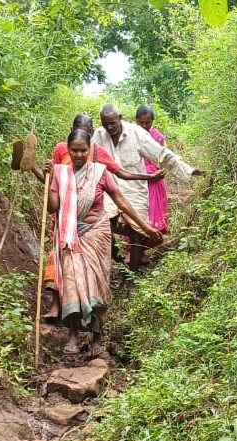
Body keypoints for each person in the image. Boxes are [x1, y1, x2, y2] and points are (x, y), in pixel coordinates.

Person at [31, 128, 161, 357]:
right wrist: (49, 178)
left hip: (97, 235)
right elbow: (53, 207)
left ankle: (97, 338)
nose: (79, 155)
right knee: (70, 282)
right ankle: (73, 334)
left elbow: (120, 200)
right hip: (70, 235)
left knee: (97, 284)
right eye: (75, 150)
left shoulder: (100, 172)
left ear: (90, 150)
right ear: (68, 151)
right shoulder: (61, 173)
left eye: (83, 150)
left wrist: (145, 226)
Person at [92, 104, 199, 279]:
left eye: (112, 123)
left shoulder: (136, 133)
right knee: (104, 227)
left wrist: (188, 170)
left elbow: (162, 154)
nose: (109, 128)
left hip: (135, 192)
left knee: (137, 234)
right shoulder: (98, 135)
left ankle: (131, 276)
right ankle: (120, 265)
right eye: (106, 124)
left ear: (120, 118)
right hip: (109, 192)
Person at [136, 105, 168, 233]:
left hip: (155, 178)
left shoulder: (158, 137)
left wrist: (160, 170)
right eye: (141, 122)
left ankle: (155, 234)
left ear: (152, 121)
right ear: (136, 121)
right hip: (137, 177)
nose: (144, 125)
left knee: (154, 206)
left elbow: (164, 158)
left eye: (147, 122)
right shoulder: (131, 136)